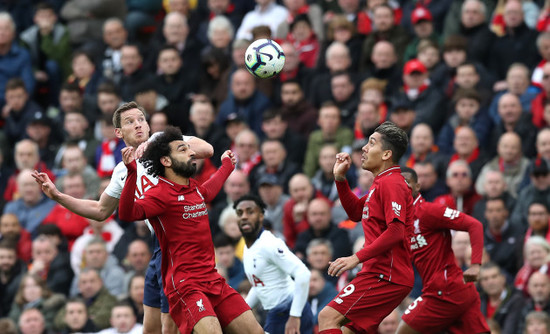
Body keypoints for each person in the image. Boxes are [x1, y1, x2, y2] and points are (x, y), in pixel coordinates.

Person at [32, 101, 214, 334]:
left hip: (183, 245)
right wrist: (57, 195)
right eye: (130, 122)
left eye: (141, 119)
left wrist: (151, 145)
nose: (138, 125)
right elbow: (100, 210)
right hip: (160, 246)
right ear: (118, 133)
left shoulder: (164, 143)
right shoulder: (122, 171)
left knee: (171, 325)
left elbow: (206, 149)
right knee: (150, 328)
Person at [118, 126, 263, 334]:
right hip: (186, 285)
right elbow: (127, 213)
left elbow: (207, 192)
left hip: (212, 278)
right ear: (166, 161)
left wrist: (226, 167)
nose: (192, 153)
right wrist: (132, 171)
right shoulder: (159, 193)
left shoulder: (192, 187)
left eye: (189, 149)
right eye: (183, 149)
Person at [318, 121, 413, 334]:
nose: (364, 148)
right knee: (348, 330)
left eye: (371, 143)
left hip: (386, 274)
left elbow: (396, 231)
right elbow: (355, 213)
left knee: (327, 317)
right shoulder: (380, 183)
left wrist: (355, 258)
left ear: (387, 154)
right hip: (380, 272)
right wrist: (340, 179)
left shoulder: (392, 183)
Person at [397, 167, 489, 333]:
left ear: (417, 186)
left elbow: (474, 224)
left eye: (406, 182)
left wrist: (475, 264)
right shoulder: (401, 221)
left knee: (403, 331)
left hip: (445, 290)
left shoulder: (428, 211)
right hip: (457, 290)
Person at [234, 194, 313, 334]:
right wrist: (241, 312)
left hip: (287, 312)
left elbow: (303, 273)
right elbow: (259, 285)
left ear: (261, 216)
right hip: (279, 313)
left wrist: (295, 315)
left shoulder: (269, 244)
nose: (244, 216)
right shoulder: (248, 247)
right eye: (240, 213)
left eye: (250, 212)